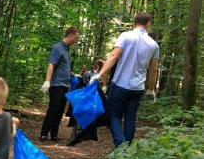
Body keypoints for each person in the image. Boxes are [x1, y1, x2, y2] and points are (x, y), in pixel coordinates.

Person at [90, 12, 159, 148]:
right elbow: (153, 70)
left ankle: (121, 147)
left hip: (120, 84)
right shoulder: (154, 45)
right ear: (148, 24)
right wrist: (151, 89)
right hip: (138, 88)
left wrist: (99, 75)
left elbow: (114, 56)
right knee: (130, 118)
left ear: (134, 23)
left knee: (114, 115)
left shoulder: (125, 36)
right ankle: (126, 148)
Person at [39, 27, 80, 142]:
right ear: (70, 36)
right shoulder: (57, 48)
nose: (76, 41)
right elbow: (51, 65)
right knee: (53, 109)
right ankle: (44, 133)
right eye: (76, 38)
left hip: (65, 85)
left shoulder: (67, 50)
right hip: (57, 84)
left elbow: (62, 66)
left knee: (60, 110)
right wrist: (47, 81)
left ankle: (54, 134)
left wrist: (70, 74)